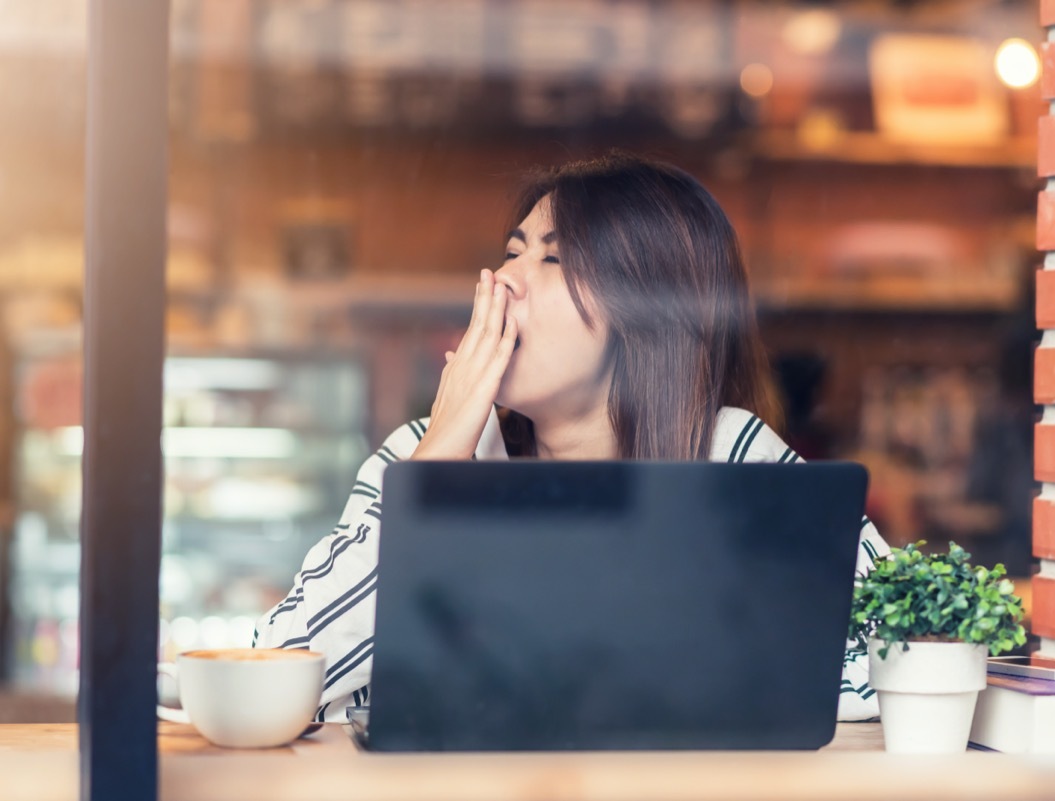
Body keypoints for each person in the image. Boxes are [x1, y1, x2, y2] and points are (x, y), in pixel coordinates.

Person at [253, 152, 888, 724]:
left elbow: (906, 654)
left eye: (553, 258)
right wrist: (437, 472)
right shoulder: (424, 450)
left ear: (648, 313)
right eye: (512, 251)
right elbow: (273, 674)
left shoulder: (730, 459)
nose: (505, 281)